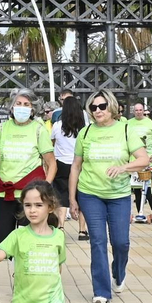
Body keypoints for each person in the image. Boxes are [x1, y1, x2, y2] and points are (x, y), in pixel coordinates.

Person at [68, 90, 148, 303]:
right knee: (98, 241)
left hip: (119, 195)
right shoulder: (85, 133)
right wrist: (72, 199)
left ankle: (118, 272)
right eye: (93, 108)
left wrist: (123, 168)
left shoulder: (125, 130)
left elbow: (143, 159)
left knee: (120, 242)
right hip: (90, 194)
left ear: (111, 106)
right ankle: (101, 291)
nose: (97, 111)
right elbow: (76, 167)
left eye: (102, 106)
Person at [0, 89, 57, 250]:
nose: (22, 107)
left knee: (28, 240)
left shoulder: (38, 130)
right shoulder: (1, 129)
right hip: (4, 192)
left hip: (31, 196)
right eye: (18, 103)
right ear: (12, 107)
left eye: (26, 104)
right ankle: (17, 263)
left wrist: (46, 187)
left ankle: (22, 272)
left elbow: (51, 163)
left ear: (32, 109)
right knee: (3, 240)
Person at [52, 96, 83, 234]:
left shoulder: (57, 126)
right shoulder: (84, 128)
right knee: (81, 195)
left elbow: (52, 144)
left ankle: (61, 225)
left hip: (61, 165)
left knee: (61, 196)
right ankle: (82, 230)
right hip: (79, 165)